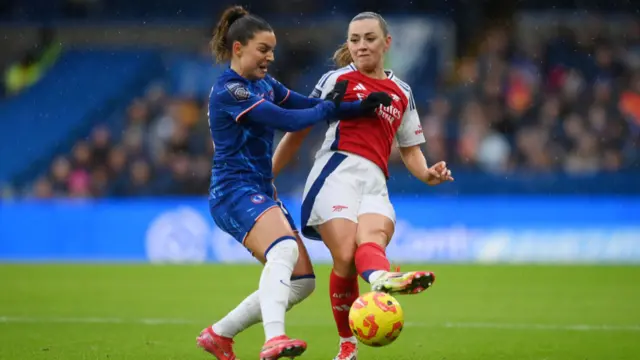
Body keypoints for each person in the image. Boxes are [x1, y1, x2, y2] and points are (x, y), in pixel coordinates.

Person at [197, 6, 393, 360]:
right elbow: (287, 119)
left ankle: (219, 334)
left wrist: (358, 108)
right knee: (284, 250)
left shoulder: (264, 84)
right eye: (263, 49)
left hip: (258, 191)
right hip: (232, 192)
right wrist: (327, 110)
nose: (270, 57)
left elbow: (310, 104)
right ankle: (274, 339)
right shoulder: (231, 91)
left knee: (302, 282)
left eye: (272, 50)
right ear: (238, 48)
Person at [272, 12, 454, 360]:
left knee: (370, 242)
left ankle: (381, 279)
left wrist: (429, 174)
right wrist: (269, 175)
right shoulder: (336, 79)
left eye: (369, 38)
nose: (360, 45)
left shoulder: (402, 92)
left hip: (375, 181)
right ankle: (350, 339)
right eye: (354, 39)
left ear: (387, 43)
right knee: (344, 255)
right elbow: (299, 128)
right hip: (336, 172)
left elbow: (410, 150)